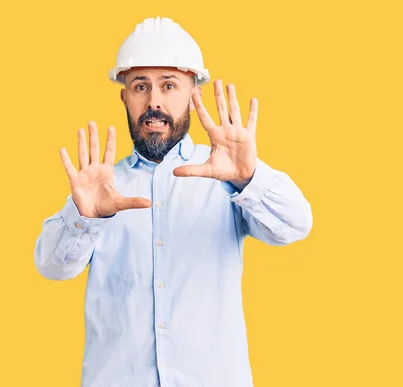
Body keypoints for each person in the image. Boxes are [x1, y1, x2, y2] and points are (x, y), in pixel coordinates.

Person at [34, 16, 313, 387]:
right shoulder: (102, 188)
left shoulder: (227, 173)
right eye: (140, 86)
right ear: (124, 96)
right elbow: (52, 268)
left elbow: (296, 226)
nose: (154, 102)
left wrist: (249, 178)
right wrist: (84, 218)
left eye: (169, 86)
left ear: (193, 94)